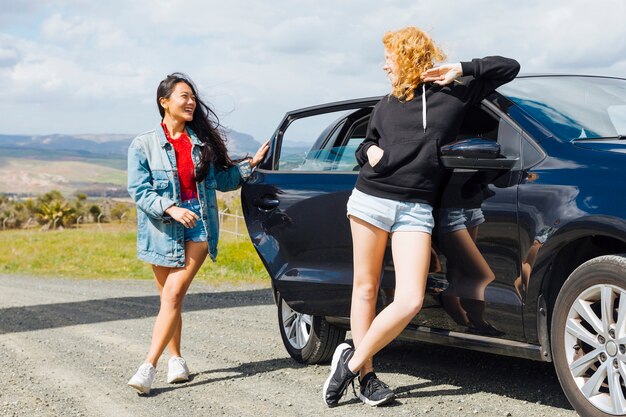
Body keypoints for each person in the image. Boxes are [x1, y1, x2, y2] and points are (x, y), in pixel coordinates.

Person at [322, 26, 519, 407]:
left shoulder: (455, 93)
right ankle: (367, 379)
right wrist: (369, 153)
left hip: (416, 207)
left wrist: (460, 68)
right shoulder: (386, 102)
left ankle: (350, 361)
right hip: (371, 200)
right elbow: (368, 141)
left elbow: (508, 67)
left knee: (410, 298)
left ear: (409, 56)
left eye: (389, 58)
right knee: (365, 288)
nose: (384, 67)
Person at [126, 73, 269, 394]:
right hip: (162, 228)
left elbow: (224, 180)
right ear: (164, 102)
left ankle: (148, 367)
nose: (191, 102)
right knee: (169, 300)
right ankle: (176, 359)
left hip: (199, 222)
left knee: (173, 296)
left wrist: (249, 165)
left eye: (192, 97)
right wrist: (170, 208)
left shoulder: (200, 144)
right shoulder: (143, 145)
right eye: (183, 96)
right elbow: (138, 189)